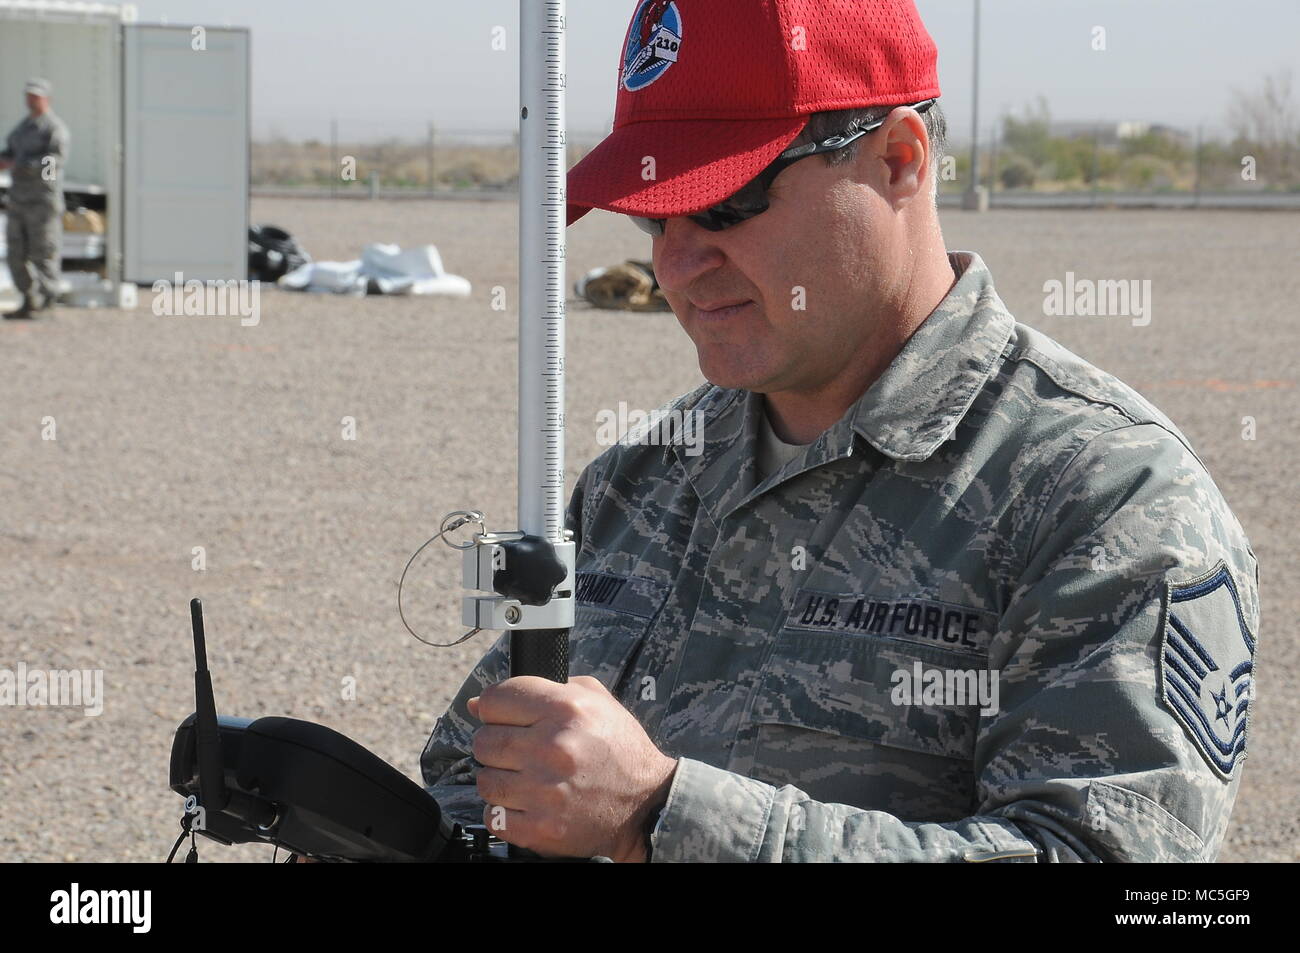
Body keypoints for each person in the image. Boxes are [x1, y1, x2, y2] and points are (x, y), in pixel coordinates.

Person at [421, 0, 1260, 862]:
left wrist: (661, 817)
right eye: (652, 216)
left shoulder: (1104, 498)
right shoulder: (644, 479)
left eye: (725, 203)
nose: (675, 263)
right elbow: (475, 774)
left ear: (900, 159)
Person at [1, 78, 69, 320]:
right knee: (16, 253)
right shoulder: (22, 129)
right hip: (19, 201)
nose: (31, 100)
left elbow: (54, 164)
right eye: (29, 96)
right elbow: (10, 150)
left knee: (44, 252)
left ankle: (47, 302)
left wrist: (24, 165)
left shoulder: (53, 129)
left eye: (36, 97)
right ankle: (28, 300)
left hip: (42, 203)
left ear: (46, 99)